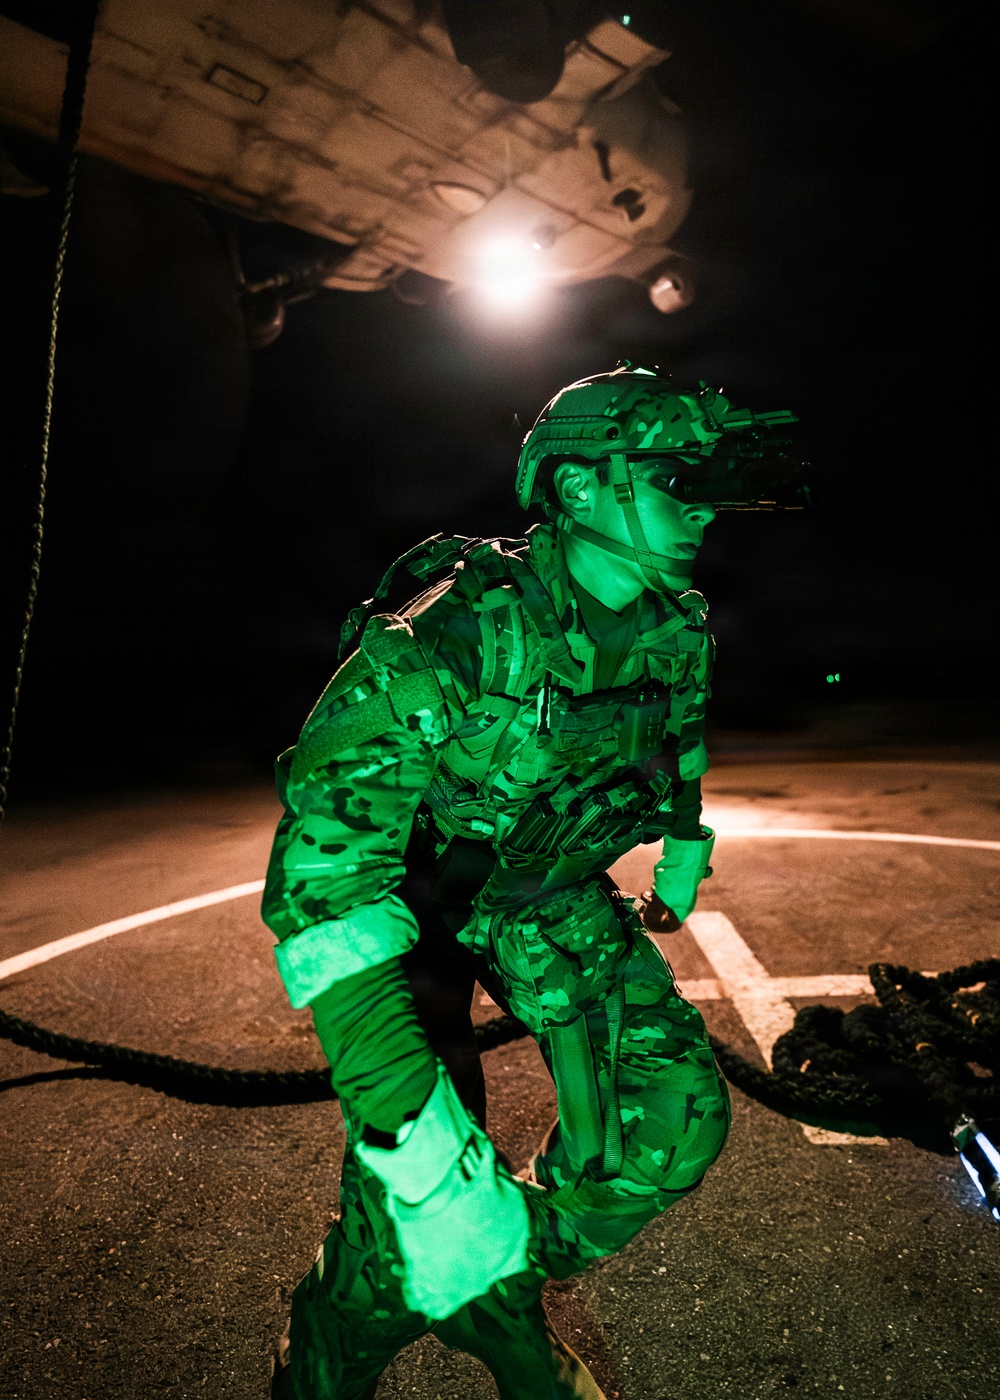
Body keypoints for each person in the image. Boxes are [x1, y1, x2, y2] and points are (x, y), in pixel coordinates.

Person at [262, 366, 806, 1399]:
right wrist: (415, 1131)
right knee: (415, 1171)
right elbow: (323, 884)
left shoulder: (669, 623)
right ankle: (352, 1326)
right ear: (580, 488)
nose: (697, 508)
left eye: (703, 483)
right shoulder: (447, 639)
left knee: (675, 1118)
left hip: (543, 897)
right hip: (411, 915)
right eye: (670, 478)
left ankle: (483, 1278)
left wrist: (686, 835)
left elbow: (674, 738)